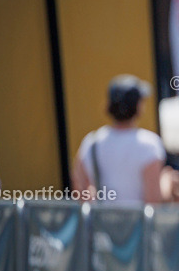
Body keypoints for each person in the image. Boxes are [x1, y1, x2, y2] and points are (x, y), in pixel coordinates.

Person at [71, 75, 166, 204]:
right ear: (138, 107)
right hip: (138, 223)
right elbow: (153, 200)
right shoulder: (149, 144)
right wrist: (167, 184)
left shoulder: (91, 142)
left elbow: (80, 192)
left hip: (102, 221)